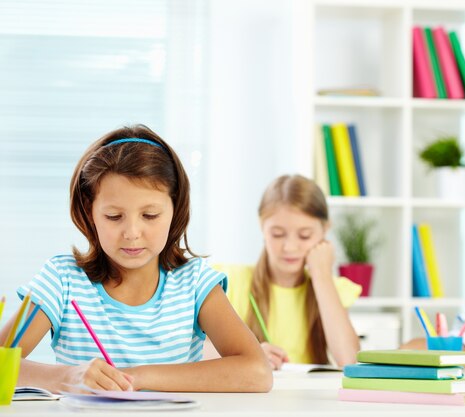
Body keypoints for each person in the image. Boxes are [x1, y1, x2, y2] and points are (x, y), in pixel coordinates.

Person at [0, 125, 272, 393]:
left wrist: (135, 377)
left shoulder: (195, 282)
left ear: (175, 208)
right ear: (89, 210)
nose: (131, 233)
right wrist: (66, 377)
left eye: (150, 215)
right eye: (114, 217)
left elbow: (257, 372)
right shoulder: (62, 280)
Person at [213, 174, 362, 370]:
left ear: (325, 230)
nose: (290, 247)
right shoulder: (230, 281)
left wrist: (322, 276)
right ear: (262, 227)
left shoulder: (334, 289)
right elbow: (195, 350)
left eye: (304, 235)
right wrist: (249, 354)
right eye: (278, 234)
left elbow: (349, 361)